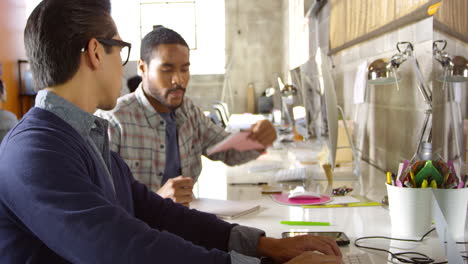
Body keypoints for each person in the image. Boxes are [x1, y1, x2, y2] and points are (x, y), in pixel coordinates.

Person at [0, 1, 343, 263]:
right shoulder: (36, 151)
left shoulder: (85, 136)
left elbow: (159, 213)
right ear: (94, 52)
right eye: (120, 50)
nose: (124, 65)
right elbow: (123, 250)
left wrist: (266, 246)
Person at [96, 26, 277, 206]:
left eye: (184, 69)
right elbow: (102, 205)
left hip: (184, 223)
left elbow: (228, 151)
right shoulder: (112, 122)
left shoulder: (188, 111)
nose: (179, 80)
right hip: (137, 231)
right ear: (142, 68)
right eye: (167, 70)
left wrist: (259, 139)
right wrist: (157, 201)